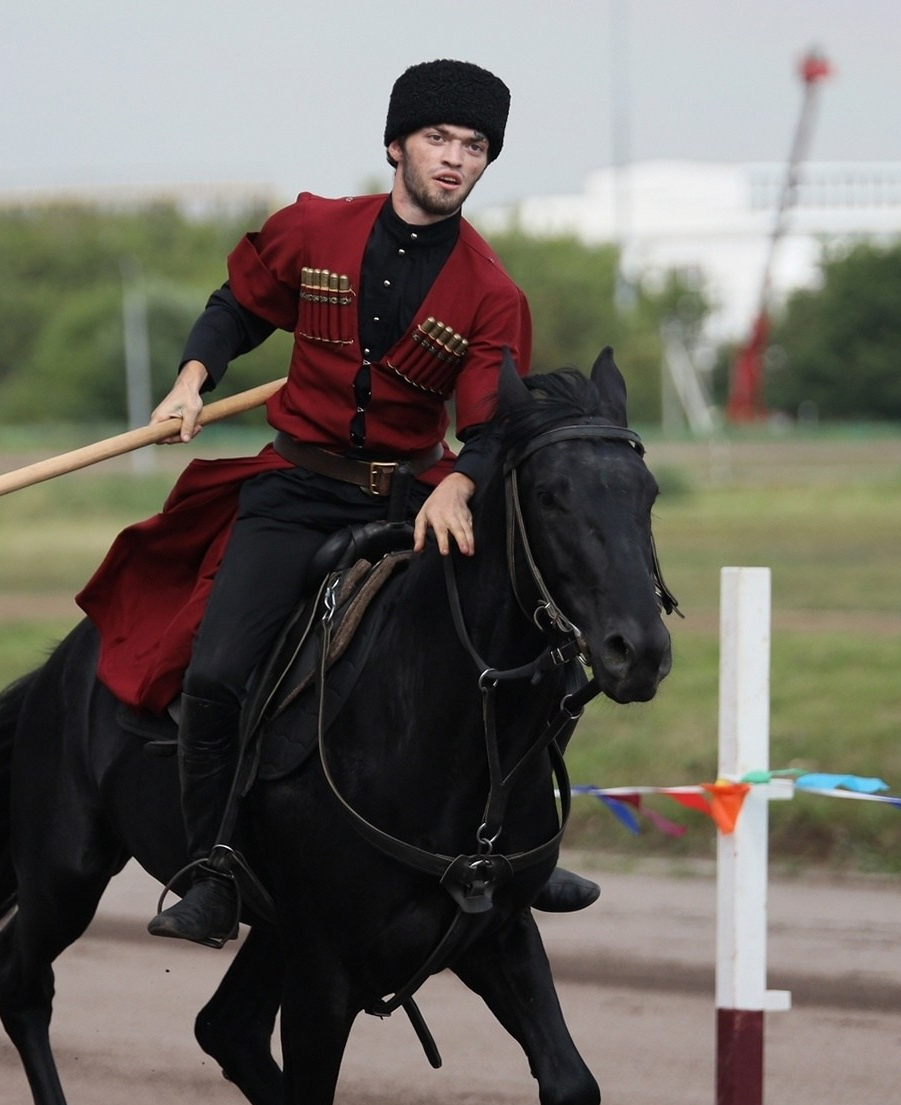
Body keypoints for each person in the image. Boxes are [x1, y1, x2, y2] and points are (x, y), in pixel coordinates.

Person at [75, 59, 598, 950]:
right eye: (438, 139)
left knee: (526, 650)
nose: (454, 159)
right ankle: (211, 871)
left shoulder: (491, 294)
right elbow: (234, 307)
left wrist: (464, 483)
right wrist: (192, 380)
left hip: (413, 499)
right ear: (394, 144)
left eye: (474, 148)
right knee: (215, 674)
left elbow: (492, 424)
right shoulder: (313, 229)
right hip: (294, 494)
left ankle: (521, 847)